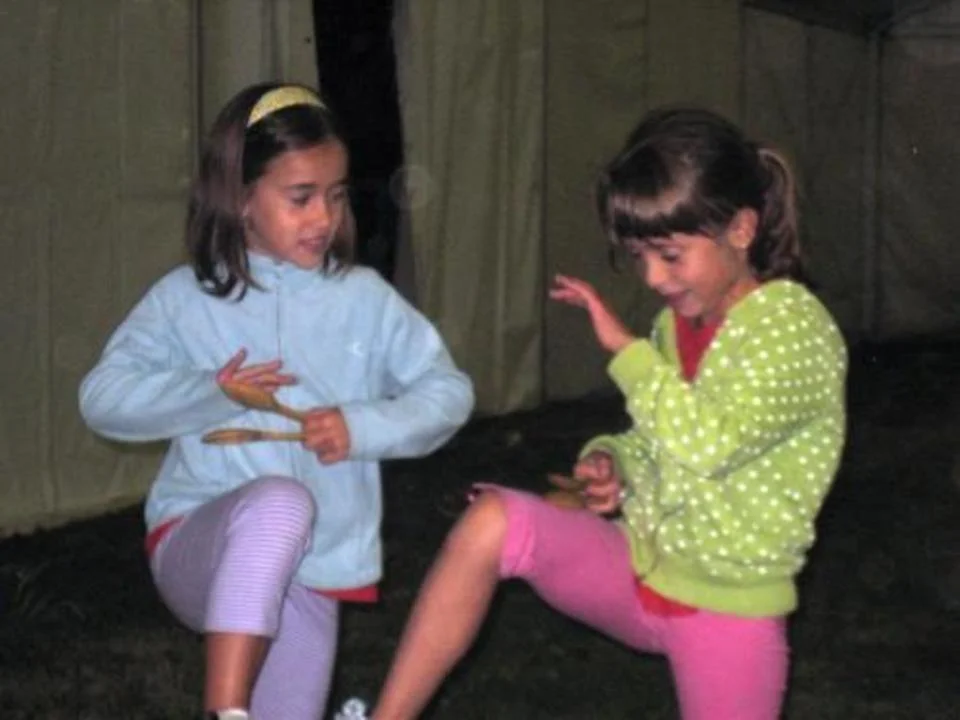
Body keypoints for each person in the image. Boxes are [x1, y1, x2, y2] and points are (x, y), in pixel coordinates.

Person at [364, 107, 848, 720]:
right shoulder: (675, 328)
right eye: (639, 256)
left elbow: (712, 445)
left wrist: (627, 353)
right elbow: (656, 441)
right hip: (639, 569)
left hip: (728, 609)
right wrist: (612, 461)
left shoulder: (794, 329)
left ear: (742, 230)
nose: (653, 278)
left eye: (670, 255)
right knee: (492, 522)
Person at [78, 82, 474, 720]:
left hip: (313, 571)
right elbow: (102, 400)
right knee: (280, 504)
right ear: (240, 197)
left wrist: (362, 426)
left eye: (336, 195)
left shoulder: (364, 300)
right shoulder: (186, 298)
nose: (323, 218)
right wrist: (210, 393)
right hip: (199, 546)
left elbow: (449, 392)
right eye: (300, 197)